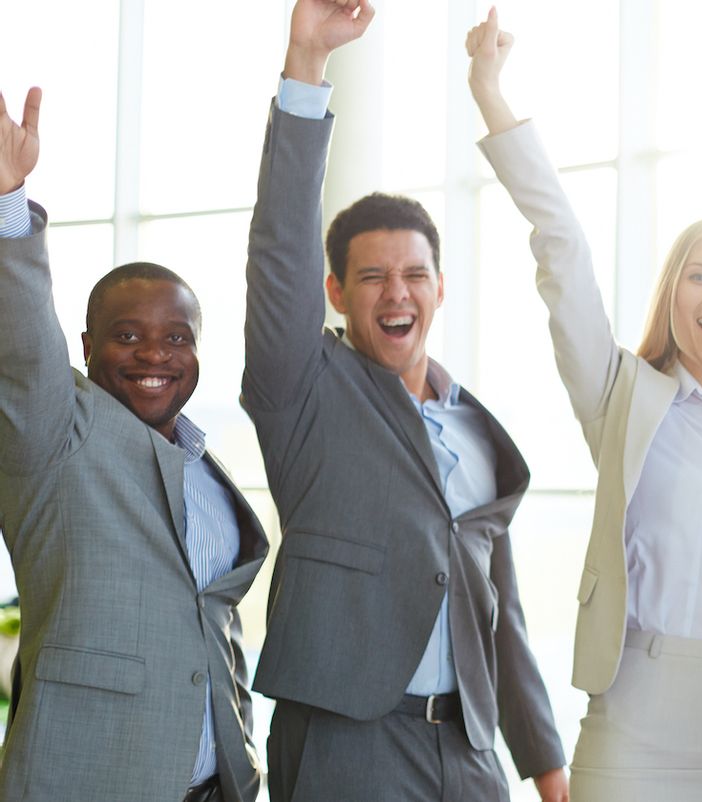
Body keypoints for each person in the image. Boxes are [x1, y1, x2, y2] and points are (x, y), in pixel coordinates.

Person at [465, 10, 702, 801]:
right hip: (638, 727)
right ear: (673, 294)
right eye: (700, 276)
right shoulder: (623, 397)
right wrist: (491, 95)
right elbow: (562, 246)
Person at [241, 2, 566, 799]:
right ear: (335, 293)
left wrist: (545, 763)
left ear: (440, 289)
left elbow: (498, 609)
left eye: (415, 275)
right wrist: (306, 64)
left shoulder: (475, 427)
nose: (397, 293)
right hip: (348, 747)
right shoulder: (304, 391)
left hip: (469, 751)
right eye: (373, 277)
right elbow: (280, 251)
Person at [0, 87, 268, 802]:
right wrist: (8, 201)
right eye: (128, 335)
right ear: (88, 348)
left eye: (177, 337)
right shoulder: (55, 437)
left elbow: (212, 628)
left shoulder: (203, 469)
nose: (155, 354)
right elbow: (23, 341)